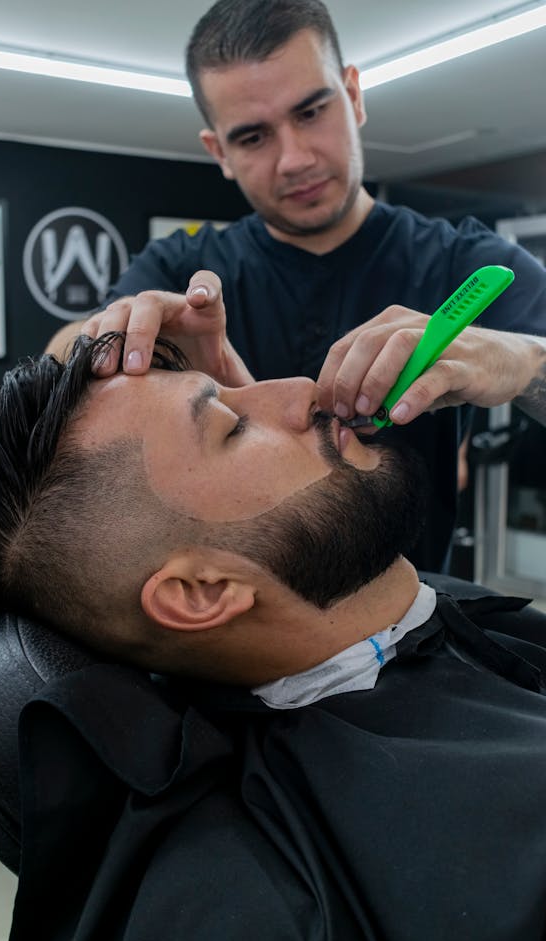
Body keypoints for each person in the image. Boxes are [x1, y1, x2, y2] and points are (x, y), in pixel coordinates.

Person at [0, 329, 546, 941]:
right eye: (231, 426)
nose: (305, 390)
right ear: (201, 592)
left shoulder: (421, 611)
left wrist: (532, 368)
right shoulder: (265, 914)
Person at [47, 0, 546, 575]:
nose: (295, 158)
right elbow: (61, 356)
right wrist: (115, 346)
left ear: (353, 96)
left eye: (311, 112)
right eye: (254, 137)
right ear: (220, 153)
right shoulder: (181, 266)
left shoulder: (465, 260)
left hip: (415, 616)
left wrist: (523, 360)